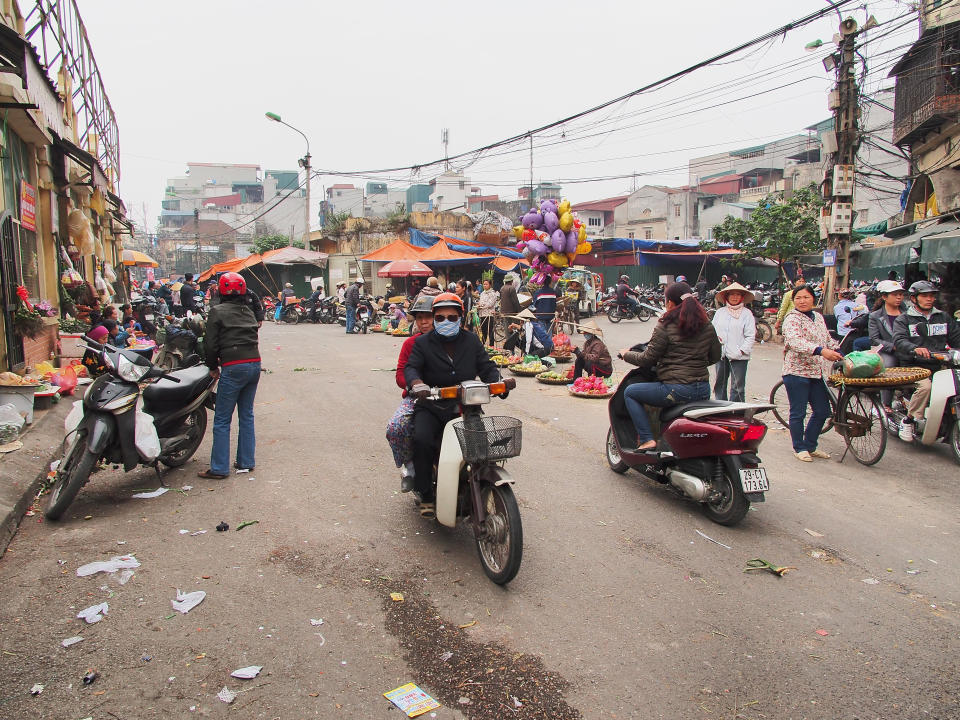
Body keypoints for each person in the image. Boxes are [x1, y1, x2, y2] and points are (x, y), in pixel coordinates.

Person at [403, 292, 502, 517]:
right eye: (439, 318)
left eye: (451, 317)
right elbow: (411, 368)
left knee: (479, 448)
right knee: (422, 441)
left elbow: (485, 366)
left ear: (461, 318)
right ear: (434, 318)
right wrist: (417, 383)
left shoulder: (471, 340)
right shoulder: (422, 343)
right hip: (431, 405)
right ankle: (425, 493)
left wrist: (497, 381)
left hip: (466, 407)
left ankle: (476, 485)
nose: (445, 322)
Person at [618, 282, 721, 451]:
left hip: (676, 389)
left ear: (670, 303)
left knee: (631, 392)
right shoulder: (707, 325)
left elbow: (648, 358)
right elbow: (715, 356)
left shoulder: (665, 325)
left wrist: (625, 354)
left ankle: (647, 439)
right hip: (702, 389)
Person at [198, 272, 261, 479]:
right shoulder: (248, 311)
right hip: (254, 365)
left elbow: (210, 343)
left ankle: (219, 468)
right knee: (247, 415)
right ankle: (246, 461)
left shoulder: (217, 311)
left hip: (233, 367)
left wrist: (212, 366)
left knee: (223, 419)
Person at [781, 284, 843, 462]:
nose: (802, 301)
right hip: (796, 372)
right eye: (798, 298)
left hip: (816, 372)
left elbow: (827, 339)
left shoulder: (818, 317)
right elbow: (795, 342)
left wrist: (838, 351)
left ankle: (810, 445)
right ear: (793, 301)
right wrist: (820, 351)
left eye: (806, 297)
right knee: (798, 412)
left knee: (822, 411)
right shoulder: (792, 318)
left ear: (813, 299)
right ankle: (799, 448)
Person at [892, 280, 960, 440]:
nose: (929, 299)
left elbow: (956, 338)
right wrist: (914, 348)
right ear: (914, 298)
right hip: (914, 366)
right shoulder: (904, 319)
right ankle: (908, 420)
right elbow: (899, 340)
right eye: (924, 296)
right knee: (926, 387)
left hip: (940, 364)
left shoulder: (943, 317)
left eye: (931, 296)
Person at [386, 295, 435, 492]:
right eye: (420, 317)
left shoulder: (454, 341)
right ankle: (411, 467)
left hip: (450, 394)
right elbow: (400, 374)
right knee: (396, 428)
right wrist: (415, 384)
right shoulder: (411, 344)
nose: (424, 322)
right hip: (417, 398)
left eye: (429, 317)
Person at [711, 282, 756, 403]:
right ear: (727, 297)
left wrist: (741, 350)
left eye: (737, 295)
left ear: (741, 297)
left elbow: (750, 336)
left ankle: (737, 412)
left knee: (738, 387)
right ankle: (720, 409)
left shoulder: (747, 314)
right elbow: (712, 331)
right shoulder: (720, 312)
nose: (735, 297)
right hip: (721, 355)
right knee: (720, 384)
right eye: (732, 294)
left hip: (739, 356)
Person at [867, 280, 907, 410]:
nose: (899, 297)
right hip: (888, 351)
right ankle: (886, 404)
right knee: (888, 367)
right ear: (884, 297)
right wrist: (893, 346)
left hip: (907, 349)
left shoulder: (908, 314)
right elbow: (874, 339)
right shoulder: (875, 316)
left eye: (901, 294)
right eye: (895, 294)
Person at [477, 279, 499, 346]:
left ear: (490, 285)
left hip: (489, 315)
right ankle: (482, 346)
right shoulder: (482, 293)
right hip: (482, 314)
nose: (485, 285)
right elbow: (480, 302)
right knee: (483, 332)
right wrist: (479, 305)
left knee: (490, 332)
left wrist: (482, 306)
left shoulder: (493, 294)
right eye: (484, 284)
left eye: (486, 284)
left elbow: (490, 304)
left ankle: (491, 346)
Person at [499, 273, 521, 337]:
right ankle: (513, 341)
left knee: (507, 328)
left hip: (504, 312)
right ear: (511, 281)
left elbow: (501, 300)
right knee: (513, 327)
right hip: (512, 312)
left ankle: (508, 341)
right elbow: (515, 301)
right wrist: (519, 310)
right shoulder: (512, 288)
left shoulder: (502, 288)